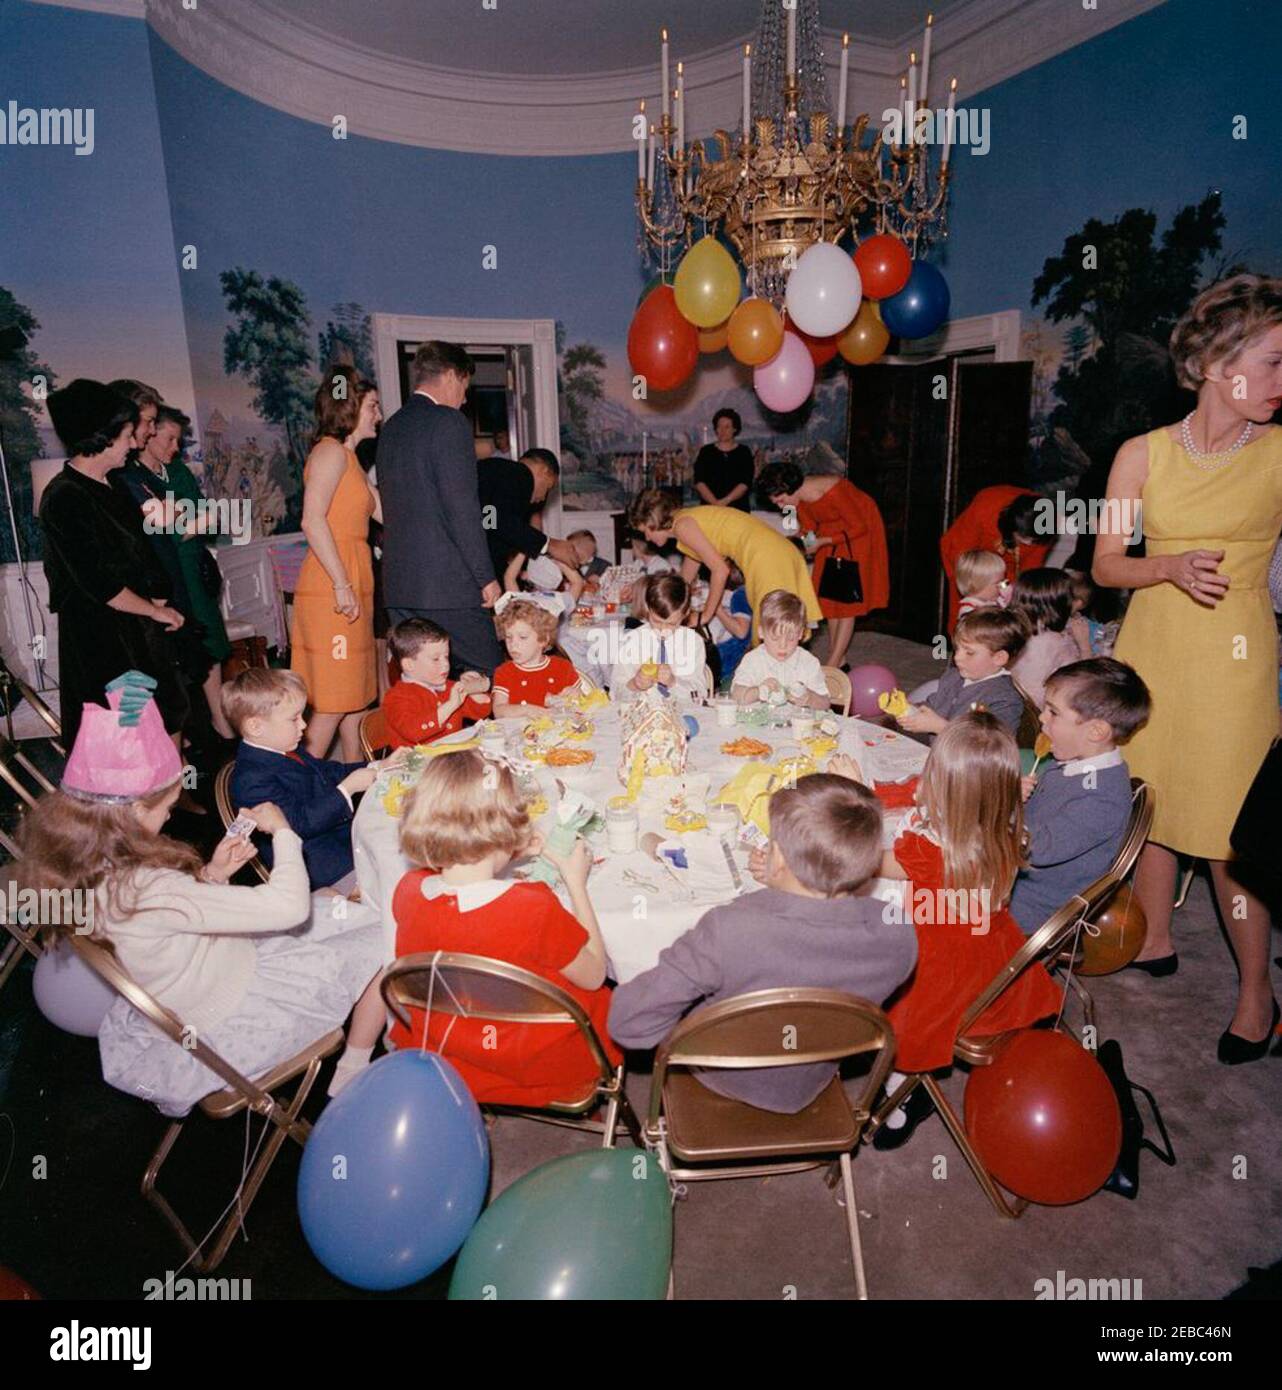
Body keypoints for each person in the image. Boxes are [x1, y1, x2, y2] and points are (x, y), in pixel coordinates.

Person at [15, 674, 386, 1112]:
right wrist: (284, 834)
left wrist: (213, 874)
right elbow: (288, 906)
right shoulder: (152, 888)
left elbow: (164, 928)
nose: (170, 818)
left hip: (200, 979)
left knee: (336, 908)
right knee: (386, 936)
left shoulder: (99, 870)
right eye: (168, 809)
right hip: (235, 1008)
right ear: (134, 812)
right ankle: (354, 1071)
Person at [1094, 273, 1282, 1062]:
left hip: (1236, 663)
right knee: (1156, 799)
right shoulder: (1140, 455)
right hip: (1155, 648)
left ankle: (1254, 997)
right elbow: (1105, 564)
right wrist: (1165, 568)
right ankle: (1157, 938)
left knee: (1228, 830)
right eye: (1273, 362)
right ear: (1215, 364)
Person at [609, 774, 917, 1113]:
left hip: (719, 1074)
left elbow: (629, 1023)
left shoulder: (729, 929)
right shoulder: (898, 931)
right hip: (812, 1076)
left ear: (779, 859)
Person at [854, 713, 1063, 1146]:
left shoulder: (932, 853)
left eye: (932, 774)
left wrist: (856, 797)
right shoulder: (1002, 827)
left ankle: (903, 1091)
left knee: (883, 997)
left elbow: (866, 860)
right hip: (987, 946)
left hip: (943, 967)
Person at [389, 749, 621, 1106]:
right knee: (619, 996)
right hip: (538, 1064)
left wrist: (510, 852)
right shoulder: (532, 906)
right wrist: (576, 882)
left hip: (448, 1054)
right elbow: (593, 974)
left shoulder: (408, 891)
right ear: (506, 826)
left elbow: (467, 918)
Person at [39, 379, 189, 749]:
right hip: (102, 643)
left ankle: (168, 802)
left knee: (163, 720)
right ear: (102, 437)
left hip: (137, 630)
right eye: (126, 434)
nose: (133, 442)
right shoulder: (64, 497)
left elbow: (139, 555)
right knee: (123, 741)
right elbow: (98, 583)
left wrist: (156, 601)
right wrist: (152, 612)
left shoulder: (113, 484)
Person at [377, 342, 504, 676]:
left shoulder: (391, 427)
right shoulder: (449, 422)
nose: (464, 398)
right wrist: (486, 577)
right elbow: (461, 509)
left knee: (425, 688)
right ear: (451, 375)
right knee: (492, 679)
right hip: (448, 588)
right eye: (464, 386)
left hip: (400, 588)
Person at [115, 404, 236, 741]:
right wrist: (195, 521)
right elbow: (163, 530)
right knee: (177, 653)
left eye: (177, 441)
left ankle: (218, 720)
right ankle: (185, 734)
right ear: (149, 435)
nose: (174, 447)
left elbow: (201, 518)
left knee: (209, 643)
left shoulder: (178, 472)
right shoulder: (133, 478)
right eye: (168, 438)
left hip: (195, 570)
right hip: (168, 573)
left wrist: (189, 521)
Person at [1010, 658, 1151, 934]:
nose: (1041, 717)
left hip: (1027, 911)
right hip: (1010, 881)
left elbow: (1034, 848)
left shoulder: (1101, 799)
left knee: (919, 900)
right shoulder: (1073, 763)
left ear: (1096, 731)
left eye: (1053, 712)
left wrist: (997, 807)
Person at [291, 366, 382, 762]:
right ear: (352, 406)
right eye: (374, 406)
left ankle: (353, 795)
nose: (379, 415)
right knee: (331, 702)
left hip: (352, 578)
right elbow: (312, 520)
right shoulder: (330, 452)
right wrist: (342, 585)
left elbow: (387, 512)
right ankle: (298, 795)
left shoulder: (350, 458)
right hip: (333, 585)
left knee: (356, 701)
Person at [225, 668, 375, 893]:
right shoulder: (250, 779)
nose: (304, 725)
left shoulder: (283, 746)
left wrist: (375, 766)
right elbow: (298, 824)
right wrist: (348, 788)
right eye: (294, 718)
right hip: (324, 867)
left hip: (341, 839)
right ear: (256, 727)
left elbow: (328, 771)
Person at [629, 489, 821, 641]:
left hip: (766, 556)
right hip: (776, 550)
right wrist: (674, 601)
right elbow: (686, 576)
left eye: (646, 531)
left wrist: (705, 616)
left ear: (654, 522)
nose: (647, 538)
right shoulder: (685, 521)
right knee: (780, 625)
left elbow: (720, 570)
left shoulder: (682, 526)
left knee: (773, 628)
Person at [756, 461, 890, 671]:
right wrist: (800, 541)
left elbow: (859, 526)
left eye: (782, 501)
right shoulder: (798, 498)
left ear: (790, 488)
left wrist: (822, 542)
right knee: (830, 599)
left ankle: (833, 663)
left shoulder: (833, 489)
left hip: (857, 536)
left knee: (846, 604)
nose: (782, 507)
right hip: (832, 534)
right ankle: (840, 657)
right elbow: (810, 527)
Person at [895, 608, 1028, 740]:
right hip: (938, 750)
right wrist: (910, 709)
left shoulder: (1004, 699)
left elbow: (992, 743)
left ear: (999, 658)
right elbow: (934, 705)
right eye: (956, 648)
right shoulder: (954, 676)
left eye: (969, 652)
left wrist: (941, 728)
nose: (957, 657)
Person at [940, 486, 1052, 629]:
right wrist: (979, 588)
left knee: (1004, 611)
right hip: (970, 560)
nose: (1030, 544)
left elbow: (1028, 572)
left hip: (1008, 566)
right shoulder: (986, 506)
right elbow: (961, 553)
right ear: (1011, 526)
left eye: (1034, 540)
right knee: (965, 610)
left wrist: (1014, 595)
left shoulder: (1046, 522)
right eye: (1026, 538)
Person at [382, 618, 492, 749]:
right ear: (409, 664)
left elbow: (481, 712)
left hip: (452, 758)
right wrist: (450, 705)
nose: (445, 664)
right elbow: (414, 731)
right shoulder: (396, 697)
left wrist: (474, 690)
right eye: (436, 659)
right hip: (417, 764)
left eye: (446, 656)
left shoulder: (448, 686)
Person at [477, 447, 578, 582]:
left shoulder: (497, 470)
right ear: (545, 471)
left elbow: (491, 519)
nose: (542, 498)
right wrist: (549, 545)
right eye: (548, 488)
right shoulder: (521, 474)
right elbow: (500, 520)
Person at [609, 574, 707, 702]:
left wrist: (673, 682)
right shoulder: (633, 640)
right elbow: (615, 692)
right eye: (656, 621)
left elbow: (700, 694)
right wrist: (634, 684)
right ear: (647, 609)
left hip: (681, 714)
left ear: (686, 613)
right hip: (641, 714)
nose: (663, 629)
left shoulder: (693, 642)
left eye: (671, 624)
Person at [731, 589, 829, 710]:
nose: (783, 645)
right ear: (761, 632)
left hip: (797, 727)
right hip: (759, 727)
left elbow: (825, 703)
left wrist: (810, 698)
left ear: (800, 634)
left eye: (791, 638)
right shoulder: (753, 660)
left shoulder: (809, 663)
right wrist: (758, 691)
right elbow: (736, 696)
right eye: (775, 638)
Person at [491, 593, 582, 716]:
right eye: (508, 637)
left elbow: (582, 705)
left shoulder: (562, 667)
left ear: (543, 639)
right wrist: (528, 710)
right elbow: (499, 711)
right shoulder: (505, 672)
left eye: (522, 637)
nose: (513, 644)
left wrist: (575, 696)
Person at [1007, 569, 1083, 710]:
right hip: (1038, 713)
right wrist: (1083, 643)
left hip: (1009, 703)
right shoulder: (1054, 643)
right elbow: (1080, 681)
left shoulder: (1013, 628)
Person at [692, 408, 755, 512]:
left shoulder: (744, 452)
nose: (722, 431)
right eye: (719, 426)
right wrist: (715, 503)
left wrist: (726, 501)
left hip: (738, 510)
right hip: (710, 509)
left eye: (727, 427)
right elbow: (699, 481)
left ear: (735, 429)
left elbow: (745, 482)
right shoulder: (706, 451)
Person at [706, 563, 753, 687]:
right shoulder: (740, 593)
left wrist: (716, 608)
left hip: (729, 663)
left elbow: (741, 631)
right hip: (731, 662)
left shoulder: (739, 595)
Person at [955, 549, 1009, 619]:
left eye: (1003, 582)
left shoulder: (999, 600)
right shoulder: (969, 612)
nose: (1003, 586)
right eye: (998, 583)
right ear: (977, 585)